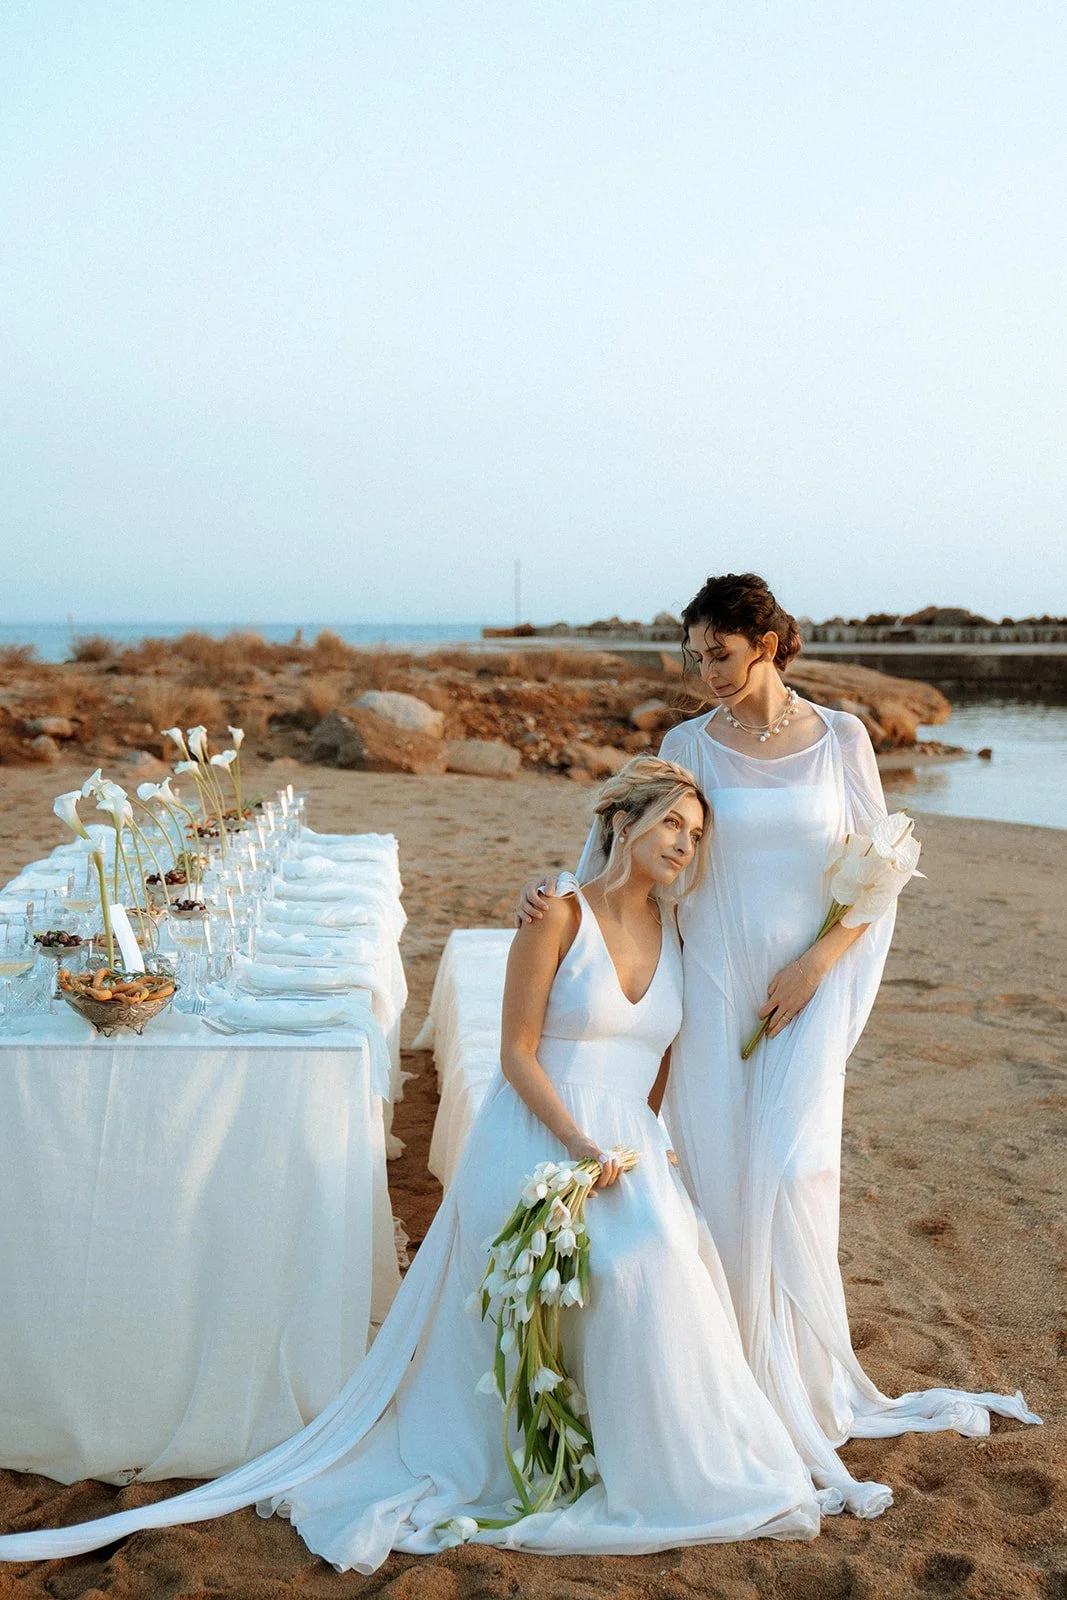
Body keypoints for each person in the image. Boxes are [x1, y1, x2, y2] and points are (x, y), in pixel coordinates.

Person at [0, 757, 828, 1571]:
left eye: (695, 832)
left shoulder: (680, 927)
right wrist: (577, 1144)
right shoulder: (556, 914)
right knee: (614, 1270)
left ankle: (657, 1462)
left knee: (665, 1263)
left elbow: (674, 1052)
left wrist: (657, 1140)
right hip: (543, 1133)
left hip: (627, 1146)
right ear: (623, 823)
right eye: (670, 823)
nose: (684, 843)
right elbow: (515, 1054)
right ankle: (548, 1455)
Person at [518, 574, 1039, 1515]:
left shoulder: (840, 736)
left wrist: (816, 965)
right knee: (720, 1172)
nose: (703, 672)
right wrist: (554, 894)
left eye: (717, 653)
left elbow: (883, 871)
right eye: (692, 656)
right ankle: (729, 1378)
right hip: (715, 987)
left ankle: (796, 1378)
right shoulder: (685, 746)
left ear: (765, 642)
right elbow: (625, 842)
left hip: (807, 989)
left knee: (794, 1169)